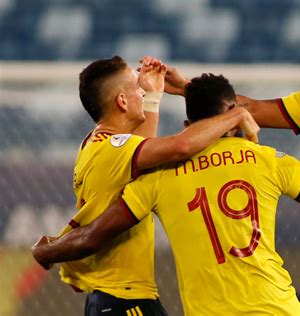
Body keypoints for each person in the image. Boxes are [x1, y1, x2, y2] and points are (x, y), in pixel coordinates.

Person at [32, 74, 300, 316]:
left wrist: (49, 251)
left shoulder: (157, 179)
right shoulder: (265, 160)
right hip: (274, 307)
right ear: (232, 115)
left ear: (190, 122)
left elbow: (94, 235)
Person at [40, 57, 259, 316]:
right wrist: (237, 115)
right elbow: (182, 146)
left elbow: (144, 150)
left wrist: (153, 95)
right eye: (136, 87)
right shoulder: (114, 149)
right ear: (122, 101)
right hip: (123, 298)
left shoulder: (99, 144)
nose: (141, 90)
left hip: (113, 297)